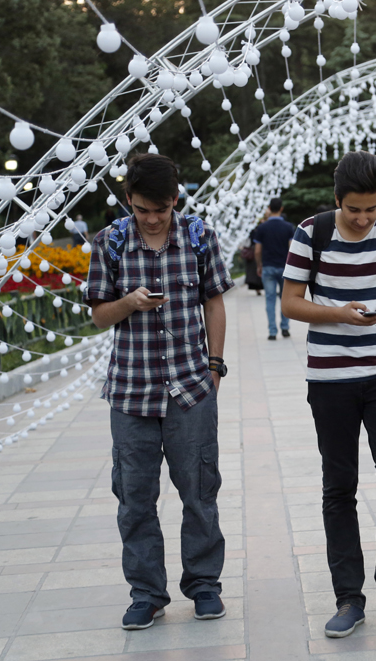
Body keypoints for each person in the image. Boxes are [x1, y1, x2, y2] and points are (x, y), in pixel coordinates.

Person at [280, 151, 376, 638]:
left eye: (371, 208)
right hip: (330, 380)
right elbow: (290, 303)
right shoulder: (311, 232)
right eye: (354, 210)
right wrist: (340, 314)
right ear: (336, 199)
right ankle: (349, 597)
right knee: (339, 487)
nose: (364, 219)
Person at [84, 153, 234, 630]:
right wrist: (128, 301)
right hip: (131, 391)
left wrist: (214, 365)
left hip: (191, 388)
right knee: (134, 497)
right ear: (129, 200)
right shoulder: (110, 242)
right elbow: (99, 316)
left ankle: (205, 585)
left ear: (175, 200)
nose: (152, 219)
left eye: (161, 209)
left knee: (199, 490)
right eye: (143, 209)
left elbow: (214, 301)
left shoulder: (197, 236)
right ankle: (146, 593)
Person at [254, 198, 296, 340]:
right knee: (285, 299)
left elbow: (258, 250)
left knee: (270, 299)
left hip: (268, 266)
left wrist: (259, 264)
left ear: (269, 208)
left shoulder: (262, 228)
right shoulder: (288, 227)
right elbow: (292, 248)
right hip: (285, 267)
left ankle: (272, 331)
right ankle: (285, 328)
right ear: (281, 209)